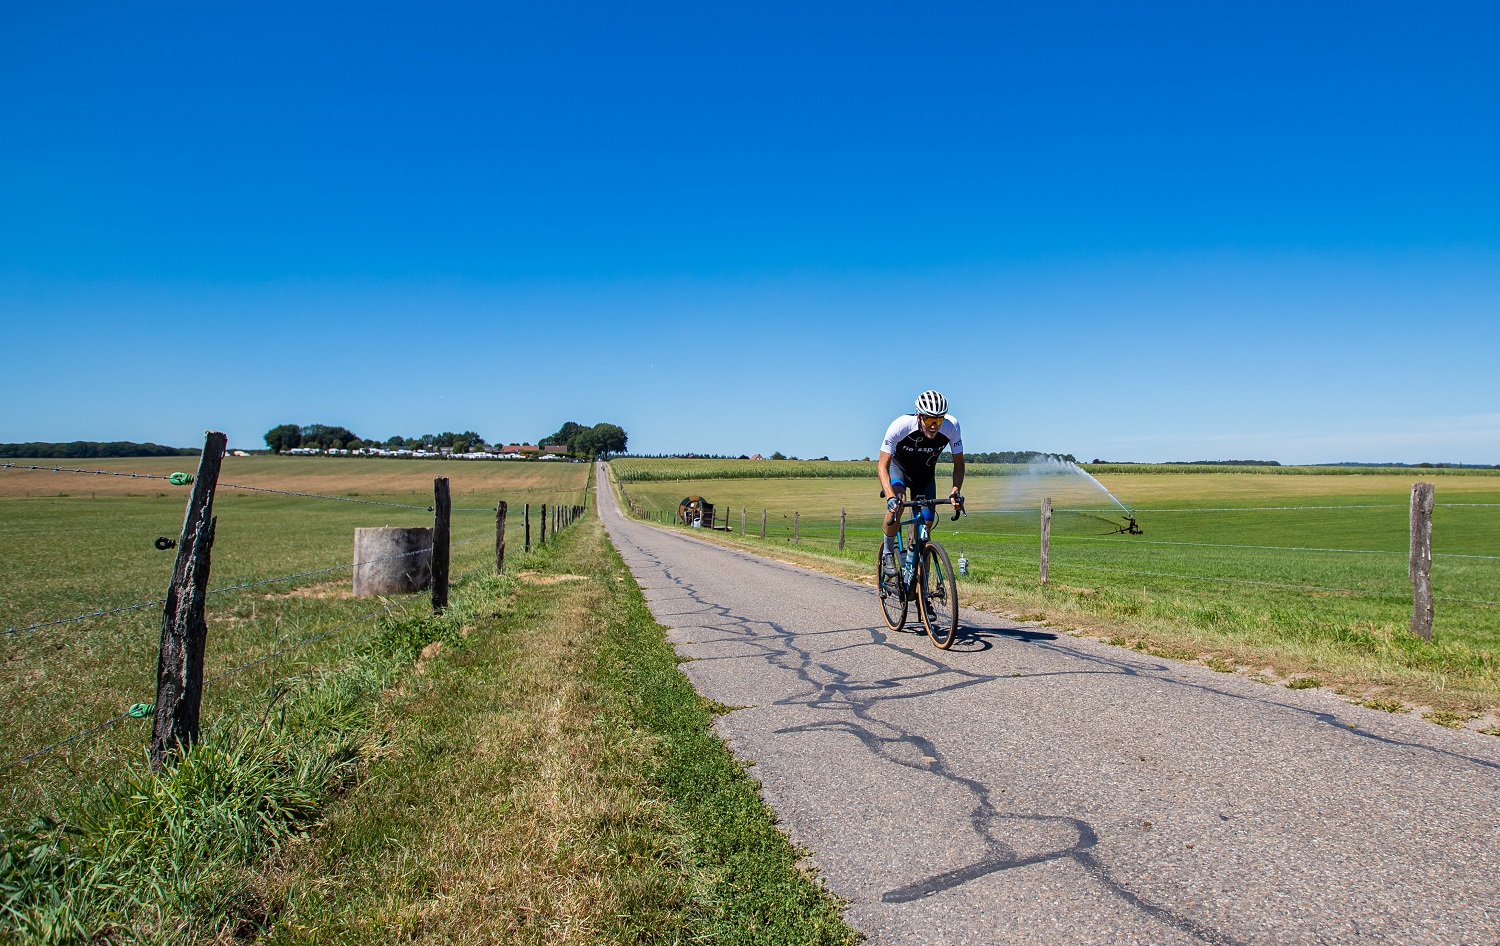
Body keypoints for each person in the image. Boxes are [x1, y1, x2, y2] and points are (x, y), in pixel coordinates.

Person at [878, 390, 965, 575]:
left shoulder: (952, 427)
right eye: (929, 420)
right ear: (919, 417)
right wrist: (890, 496)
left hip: (924, 476)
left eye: (939, 420)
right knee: (897, 505)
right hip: (898, 469)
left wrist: (955, 491)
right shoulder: (900, 426)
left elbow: (959, 464)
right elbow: (882, 466)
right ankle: (887, 552)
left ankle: (922, 590)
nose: (934, 426)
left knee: (925, 527)